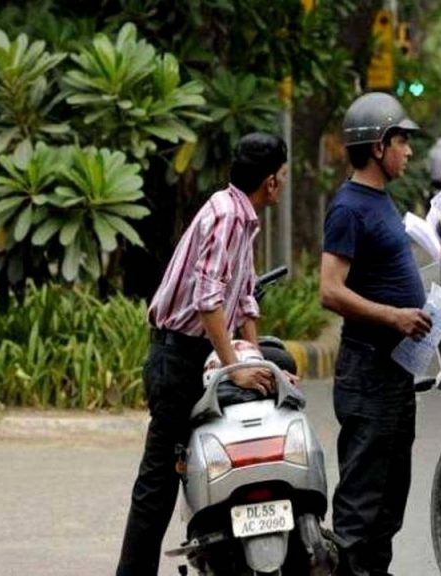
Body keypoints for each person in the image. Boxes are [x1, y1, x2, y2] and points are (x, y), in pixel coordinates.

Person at [116, 132, 288, 576]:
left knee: (210, 458)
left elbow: (244, 297)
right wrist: (236, 368)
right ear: (270, 182)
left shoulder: (240, 215)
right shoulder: (229, 216)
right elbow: (208, 301)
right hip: (178, 358)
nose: (282, 185)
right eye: (282, 177)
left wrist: (257, 359)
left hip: (196, 353)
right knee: (159, 481)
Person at [319, 92, 432, 576]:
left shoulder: (382, 201)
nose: (408, 152)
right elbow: (329, 290)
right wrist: (394, 317)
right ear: (379, 144)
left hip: (394, 374)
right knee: (360, 508)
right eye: (402, 141)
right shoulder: (349, 207)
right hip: (368, 372)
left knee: (388, 504)